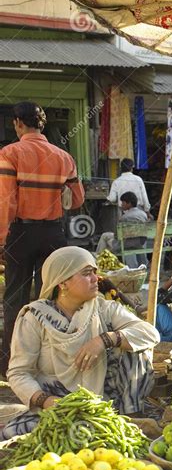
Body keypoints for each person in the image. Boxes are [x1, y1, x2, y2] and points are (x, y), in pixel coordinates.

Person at [1, 246, 160, 439]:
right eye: (86, 274)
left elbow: (150, 333)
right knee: (14, 433)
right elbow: (18, 373)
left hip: (105, 399)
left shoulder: (104, 308)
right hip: (59, 404)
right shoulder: (35, 317)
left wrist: (105, 339)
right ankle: (98, 427)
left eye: (94, 272)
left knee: (135, 344)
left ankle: (130, 416)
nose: (96, 278)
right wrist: (46, 401)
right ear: (63, 283)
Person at [0, 102, 85, 376]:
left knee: (15, 298)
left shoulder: (9, 153)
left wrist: (1, 239)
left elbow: (6, 202)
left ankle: (13, 364)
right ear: (42, 124)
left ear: (17, 123)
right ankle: (50, 361)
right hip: (53, 233)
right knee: (50, 298)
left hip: (20, 233)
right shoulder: (63, 157)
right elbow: (77, 201)